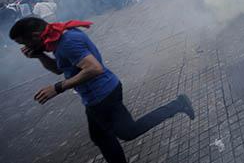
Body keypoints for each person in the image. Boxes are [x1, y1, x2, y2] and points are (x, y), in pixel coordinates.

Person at [9, 17, 195, 163]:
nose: (25, 48)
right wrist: (40, 55)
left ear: (35, 36)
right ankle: (178, 105)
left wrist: (57, 88)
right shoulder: (58, 39)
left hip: (102, 96)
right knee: (101, 137)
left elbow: (94, 68)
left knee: (127, 132)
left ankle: (177, 105)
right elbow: (60, 68)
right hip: (98, 95)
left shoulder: (67, 42)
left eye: (24, 43)